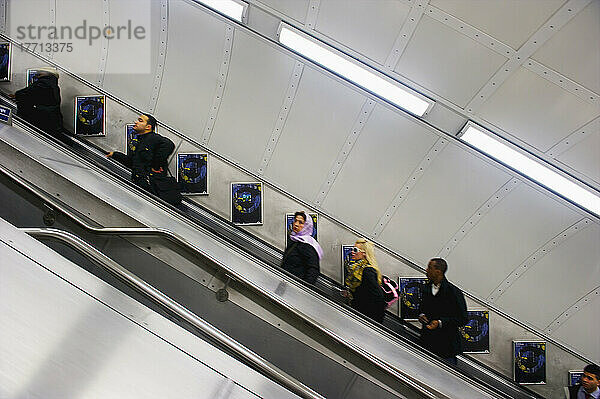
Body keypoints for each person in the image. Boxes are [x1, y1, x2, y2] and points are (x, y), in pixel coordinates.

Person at [107, 113, 175, 193]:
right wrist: (115, 155)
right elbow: (133, 162)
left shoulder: (152, 138)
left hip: (151, 186)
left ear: (148, 127)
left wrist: (156, 165)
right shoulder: (141, 142)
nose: (136, 122)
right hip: (141, 184)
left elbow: (169, 145)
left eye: (140, 121)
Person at [418, 258, 467, 365]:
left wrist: (440, 322)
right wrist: (421, 315)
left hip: (446, 347)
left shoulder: (454, 293)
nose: (426, 270)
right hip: (427, 343)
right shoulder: (425, 288)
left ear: (438, 271)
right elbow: (422, 308)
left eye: (429, 268)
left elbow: (463, 319)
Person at [344, 238, 386, 323]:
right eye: (352, 249)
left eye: (355, 250)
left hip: (367, 315)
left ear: (364, 253)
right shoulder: (357, 268)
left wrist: (377, 322)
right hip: (360, 311)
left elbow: (378, 296)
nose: (352, 252)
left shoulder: (367, 271)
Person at [14, 67, 64, 135]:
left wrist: (17, 95)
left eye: (40, 72)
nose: (38, 73)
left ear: (46, 74)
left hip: (41, 120)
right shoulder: (55, 86)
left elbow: (23, 94)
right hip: (53, 120)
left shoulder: (43, 84)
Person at [281, 211, 322, 284]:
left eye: (300, 222)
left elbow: (313, 269)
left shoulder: (307, 245)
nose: (296, 224)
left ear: (307, 226)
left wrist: (304, 288)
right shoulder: (295, 240)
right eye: (295, 221)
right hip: (287, 284)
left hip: (296, 287)